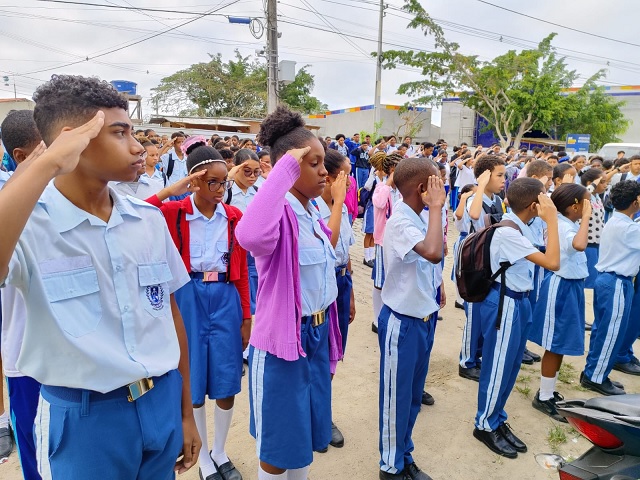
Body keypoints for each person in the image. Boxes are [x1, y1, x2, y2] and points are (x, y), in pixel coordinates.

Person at [0, 74, 200, 479]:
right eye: (120, 132)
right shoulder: (29, 225)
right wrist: (50, 161)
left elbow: (170, 318)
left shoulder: (146, 220)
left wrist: (186, 412)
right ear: (75, 139)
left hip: (158, 402)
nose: (138, 145)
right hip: (85, 420)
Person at [236, 107, 341, 480]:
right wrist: (281, 171)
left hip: (313, 336)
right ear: (291, 169)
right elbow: (248, 236)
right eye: (313, 164)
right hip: (282, 342)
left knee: (301, 439)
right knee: (278, 447)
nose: (324, 171)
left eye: (323, 162)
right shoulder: (276, 210)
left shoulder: (309, 210)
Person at [146, 137, 251, 480]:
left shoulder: (234, 217)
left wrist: (246, 315)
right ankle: (203, 456)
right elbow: (137, 212)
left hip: (225, 297)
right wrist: (170, 190)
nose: (221, 188)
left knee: (226, 380)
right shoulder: (174, 213)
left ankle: (220, 451)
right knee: (192, 379)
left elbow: (241, 271)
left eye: (224, 181)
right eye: (212, 181)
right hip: (187, 296)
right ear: (194, 180)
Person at [473, 178, 560, 459]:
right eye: (543, 199)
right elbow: (553, 263)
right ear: (534, 205)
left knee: (510, 368)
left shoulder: (521, 226)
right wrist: (554, 221)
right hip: (505, 302)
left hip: (518, 301)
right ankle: (484, 424)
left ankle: (496, 418)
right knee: (498, 366)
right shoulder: (509, 232)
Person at [377, 157, 445, 480]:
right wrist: (436, 208)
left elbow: (432, 259)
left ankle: (403, 454)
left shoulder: (420, 217)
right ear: (423, 189)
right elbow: (432, 251)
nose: (442, 189)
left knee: (414, 397)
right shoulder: (401, 221)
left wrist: (439, 283)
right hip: (401, 324)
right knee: (396, 399)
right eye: (436, 183)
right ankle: (390, 466)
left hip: (423, 319)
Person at [0, 109, 44, 477]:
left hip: (69, 352)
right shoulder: (8, 206)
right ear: (22, 157)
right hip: (26, 355)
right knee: (33, 443)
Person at [529, 184, 591, 422]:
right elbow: (579, 245)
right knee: (555, 344)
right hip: (561, 287)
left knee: (561, 342)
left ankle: (549, 390)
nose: (590, 208)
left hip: (571, 286)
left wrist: (582, 219)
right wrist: (585, 218)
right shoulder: (563, 225)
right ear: (574, 206)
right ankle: (543, 397)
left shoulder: (568, 224)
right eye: (586, 204)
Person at [581, 180, 640, 394]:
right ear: (636, 202)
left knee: (603, 329)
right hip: (616, 282)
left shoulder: (618, 221)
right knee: (610, 333)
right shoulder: (629, 228)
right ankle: (595, 377)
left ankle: (593, 371)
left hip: (609, 281)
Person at [313, 148, 354, 450]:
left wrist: (350, 294)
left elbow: (346, 252)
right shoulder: (315, 208)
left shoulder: (342, 207)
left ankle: (321, 412)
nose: (350, 180)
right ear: (329, 176)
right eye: (346, 174)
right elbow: (330, 242)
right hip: (323, 286)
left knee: (335, 355)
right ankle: (319, 417)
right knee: (321, 355)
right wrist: (338, 203)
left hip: (342, 281)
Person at [458, 155, 506, 381]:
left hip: (491, 263)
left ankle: (477, 355)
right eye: (499, 175)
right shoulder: (474, 199)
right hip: (474, 265)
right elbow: (475, 215)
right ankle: (466, 362)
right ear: (485, 176)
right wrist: (480, 186)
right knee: (473, 315)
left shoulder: (497, 199)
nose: (504, 180)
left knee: (484, 312)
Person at [370, 153, 403, 334]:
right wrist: (389, 182)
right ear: (392, 170)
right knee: (380, 281)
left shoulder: (402, 190)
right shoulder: (381, 187)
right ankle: (376, 319)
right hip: (383, 241)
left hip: (398, 241)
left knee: (393, 278)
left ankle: (389, 313)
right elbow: (380, 204)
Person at [580, 169, 608, 290]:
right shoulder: (585, 196)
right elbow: (585, 192)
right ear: (590, 183)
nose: (605, 185)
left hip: (598, 243)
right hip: (588, 243)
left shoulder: (597, 197)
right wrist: (593, 184)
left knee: (594, 275)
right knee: (589, 279)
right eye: (602, 182)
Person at [160, 131, 189, 199]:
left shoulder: (188, 158)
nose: (182, 144)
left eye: (183, 142)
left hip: (185, 192)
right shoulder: (168, 157)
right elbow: (156, 157)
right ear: (173, 144)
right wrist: (166, 145)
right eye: (179, 142)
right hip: (171, 192)